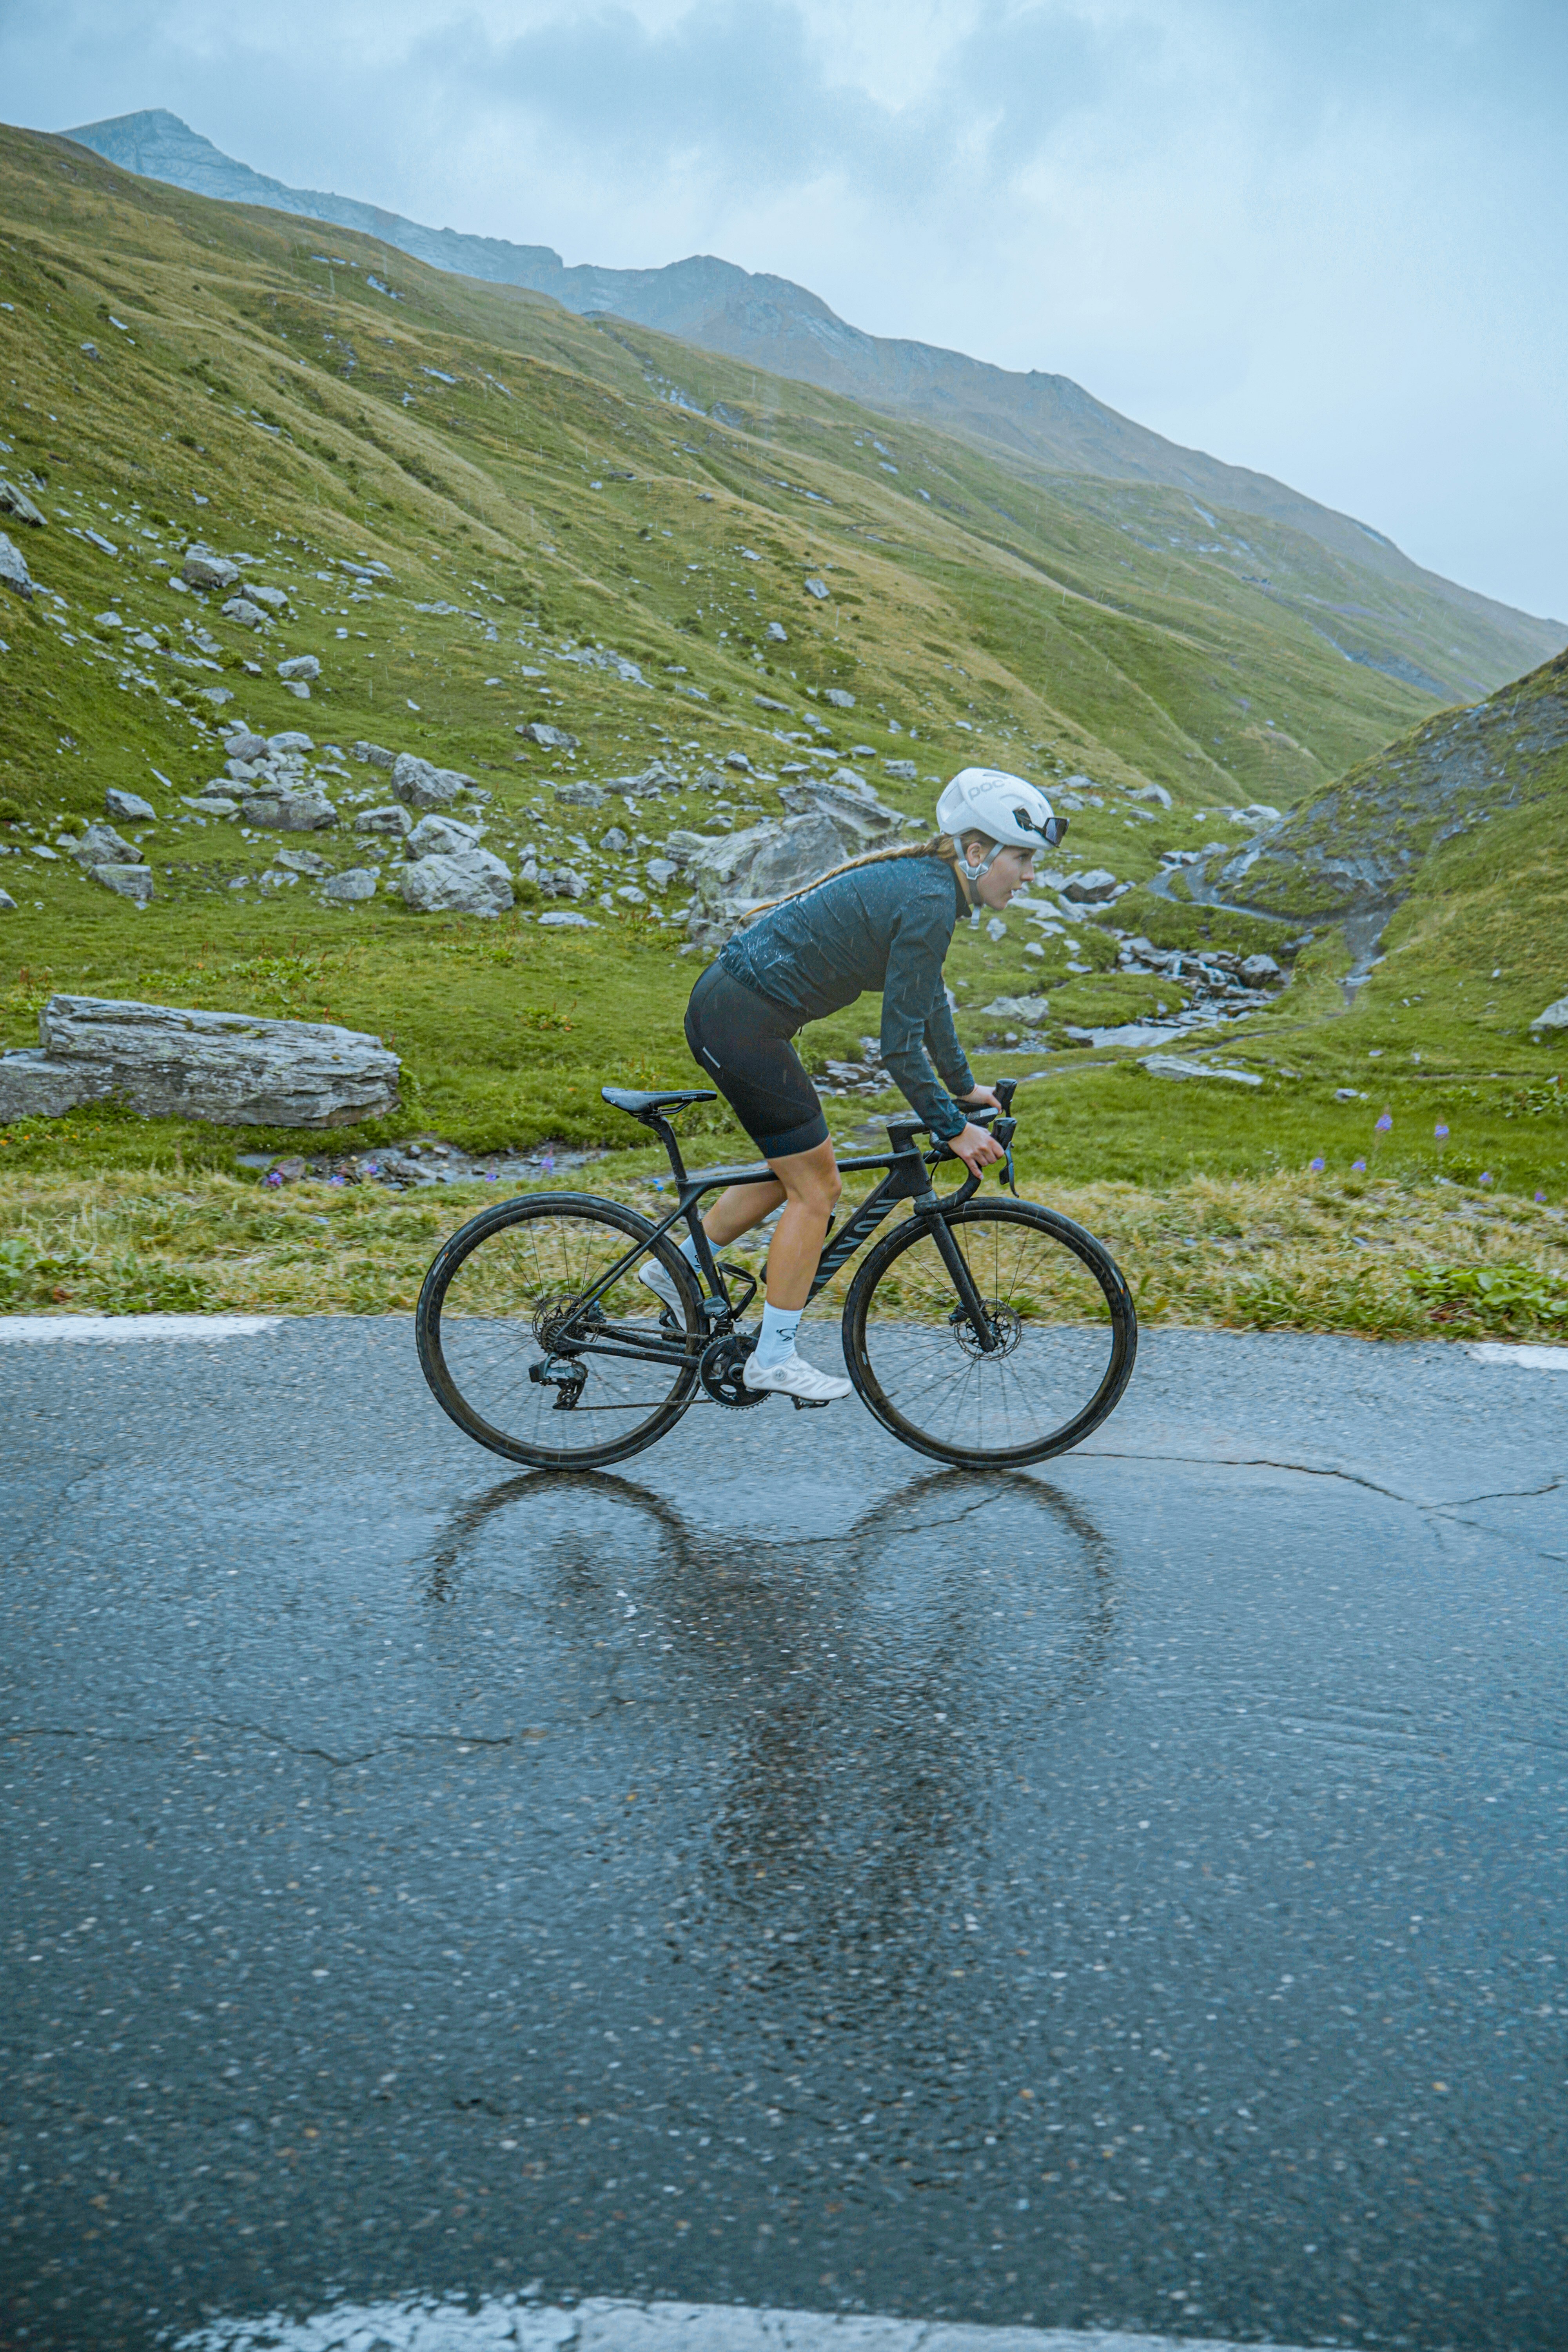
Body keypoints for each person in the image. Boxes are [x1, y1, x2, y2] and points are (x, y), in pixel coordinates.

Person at [640, 767, 1068, 1402]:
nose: (1031, 876)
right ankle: (773, 1358)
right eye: (1023, 858)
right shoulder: (928, 900)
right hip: (742, 1023)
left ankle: (676, 1265)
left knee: (800, 1164)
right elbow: (897, 1046)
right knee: (818, 1189)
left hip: (736, 1014)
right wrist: (953, 1129)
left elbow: (929, 1003)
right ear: (977, 853)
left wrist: (962, 1086)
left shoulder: (930, 890)